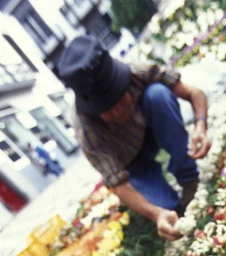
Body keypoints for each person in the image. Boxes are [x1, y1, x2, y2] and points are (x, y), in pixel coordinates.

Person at [57, 36, 211, 240]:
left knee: (158, 94)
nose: (118, 111)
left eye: (119, 99)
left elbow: (194, 93)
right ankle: (163, 202)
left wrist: (201, 126)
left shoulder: (138, 72)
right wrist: (157, 214)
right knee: (168, 207)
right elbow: (117, 183)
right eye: (107, 110)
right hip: (132, 162)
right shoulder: (85, 127)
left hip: (154, 129)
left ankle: (189, 178)